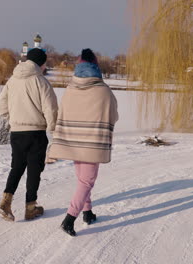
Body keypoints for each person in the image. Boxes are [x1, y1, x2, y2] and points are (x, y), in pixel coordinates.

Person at [47, 49, 119, 236]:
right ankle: (70, 219)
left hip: (72, 139)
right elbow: (114, 115)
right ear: (96, 67)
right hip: (92, 141)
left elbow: (63, 112)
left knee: (82, 180)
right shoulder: (104, 91)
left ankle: (87, 213)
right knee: (87, 181)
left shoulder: (70, 89)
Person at [0, 48, 58, 221]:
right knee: (34, 170)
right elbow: (50, 108)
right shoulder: (41, 81)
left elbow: (2, 105)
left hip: (16, 132)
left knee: (16, 167)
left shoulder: (13, 79)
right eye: (45, 63)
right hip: (36, 132)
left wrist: (13, 119)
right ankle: (30, 207)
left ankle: (5, 202)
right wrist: (52, 129)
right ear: (41, 63)